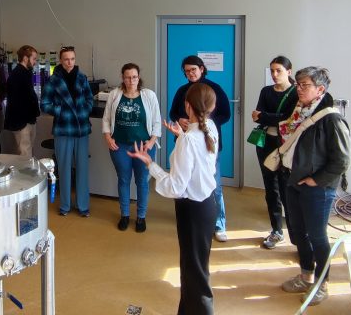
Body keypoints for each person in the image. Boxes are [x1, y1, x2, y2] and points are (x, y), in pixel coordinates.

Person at [129, 83, 219, 315]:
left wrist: (150, 164)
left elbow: (175, 187)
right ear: (211, 107)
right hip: (207, 206)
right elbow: (198, 154)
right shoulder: (210, 126)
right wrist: (182, 136)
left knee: (195, 274)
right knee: (195, 269)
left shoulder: (189, 140)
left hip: (192, 211)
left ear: (187, 106)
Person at [279, 67, 350, 305]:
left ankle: (322, 283)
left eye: (304, 85)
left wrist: (315, 180)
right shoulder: (299, 112)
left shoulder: (331, 119)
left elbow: (341, 160)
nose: (298, 89)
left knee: (318, 236)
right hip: (293, 181)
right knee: (298, 232)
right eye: (297, 84)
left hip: (317, 188)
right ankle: (306, 275)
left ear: (320, 89)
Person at [169, 55, 232, 241]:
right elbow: (173, 112)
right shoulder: (182, 90)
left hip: (207, 144)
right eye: (186, 71)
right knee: (187, 183)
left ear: (202, 69)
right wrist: (180, 119)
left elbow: (225, 114)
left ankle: (219, 224)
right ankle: (194, 218)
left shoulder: (214, 89)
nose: (190, 74)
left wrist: (204, 122)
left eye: (193, 70)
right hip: (186, 141)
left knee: (214, 186)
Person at [102, 63, 161, 232]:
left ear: (138, 77)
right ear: (123, 78)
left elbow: (157, 121)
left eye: (134, 77)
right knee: (123, 179)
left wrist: (151, 142)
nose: (131, 80)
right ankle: (125, 215)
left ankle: (141, 217)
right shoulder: (115, 94)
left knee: (142, 181)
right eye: (127, 77)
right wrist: (107, 137)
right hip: (119, 146)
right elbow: (106, 119)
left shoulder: (149, 95)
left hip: (144, 147)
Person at [41, 46, 94, 217]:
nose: (69, 62)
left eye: (72, 59)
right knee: (63, 168)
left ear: (75, 59)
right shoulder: (52, 80)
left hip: (81, 129)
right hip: (63, 128)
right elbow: (45, 104)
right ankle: (65, 205)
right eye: (66, 59)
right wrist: (62, 111)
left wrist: (82, 111)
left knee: (82, 168)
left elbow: (89, 100)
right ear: (61, 60)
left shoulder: (82, 78)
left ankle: (83, 205)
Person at [251, 56, 298, 249]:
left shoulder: (296, 93)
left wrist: (267, 117)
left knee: (287, 187)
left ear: (289, 71)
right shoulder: (266, 91)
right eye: (272, 70)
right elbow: (256, 116)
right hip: (265, 144)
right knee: (271, 188)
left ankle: (295, 233)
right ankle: (276, 230)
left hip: (285, 145)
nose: (274, 74)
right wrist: (273, 118)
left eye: (278, 70)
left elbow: (290, 120)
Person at [4, 45, 40, 157]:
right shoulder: (16, 75)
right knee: (24, 154)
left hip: (28, 120)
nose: (35, 62)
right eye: (34, 59)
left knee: (27, 152)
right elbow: (15, 102)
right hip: (21, 122)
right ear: (25, 58)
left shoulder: (26, 73)